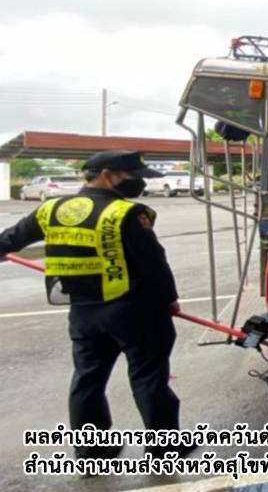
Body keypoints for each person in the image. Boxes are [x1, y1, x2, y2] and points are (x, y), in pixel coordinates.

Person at [0, 151, 195, 460]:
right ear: (107, 175)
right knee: (148, 378)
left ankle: (92, 450)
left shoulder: (51, 209)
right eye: (133, 176)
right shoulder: (125, 213)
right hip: (135, 311)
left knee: (88, 380)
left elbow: (9, 239)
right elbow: (154, 263)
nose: (139, 182)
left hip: (84, 313)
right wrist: (170, 300)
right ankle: (164, 447)